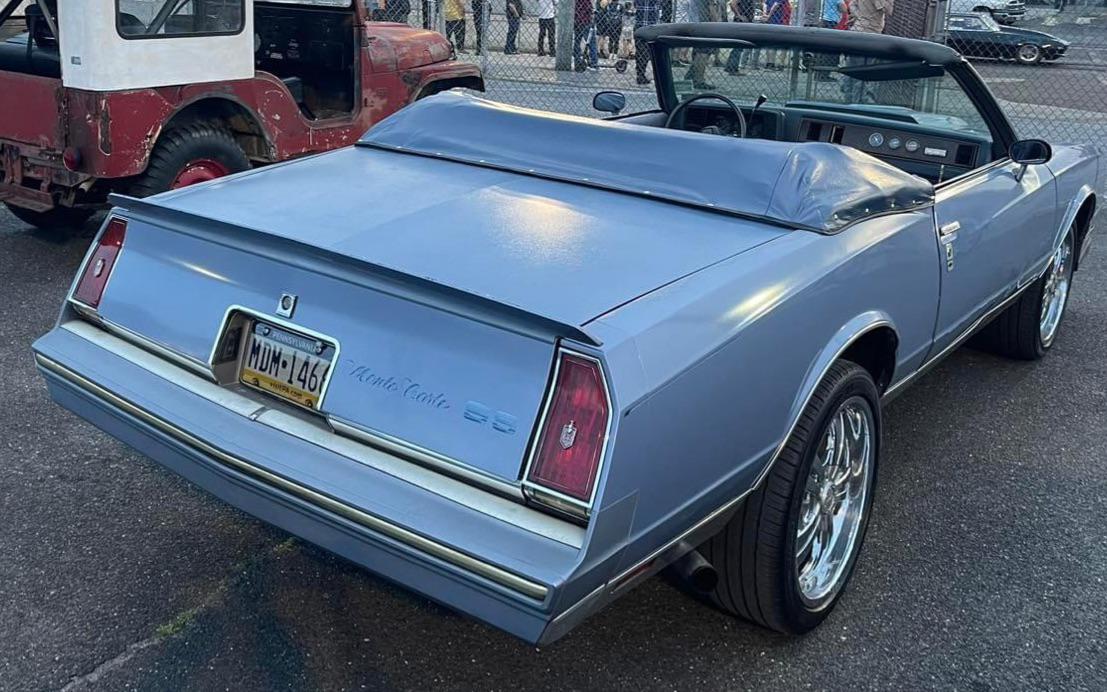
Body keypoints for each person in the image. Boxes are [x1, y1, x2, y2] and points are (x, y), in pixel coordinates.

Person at [724, 0, 756, 74]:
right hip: (741, 22)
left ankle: (730, 66)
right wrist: (739, 15)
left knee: (738, 46)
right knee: (738, 46)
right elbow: (732, 3)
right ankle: (732, 68)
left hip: (745, 22)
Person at [634, 0, 661, 84]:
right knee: (645, 52)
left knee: (641, 52)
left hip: (640, 26)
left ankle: (640, 74)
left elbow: (635, 5)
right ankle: (641, 74)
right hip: (651, 27)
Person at [574, 0, 598, 70]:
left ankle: (577, 62)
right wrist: (592, 11)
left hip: (577, 23)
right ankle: (594, 62)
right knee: (592, 43)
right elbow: (589, 9)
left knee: (577, 42)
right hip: (586, 22)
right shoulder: (586, 1)